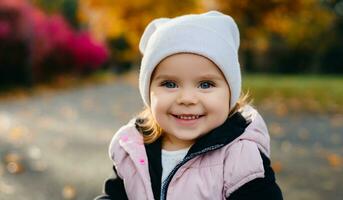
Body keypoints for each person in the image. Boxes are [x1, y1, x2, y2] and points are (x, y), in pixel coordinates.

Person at [95, 11, 283, 200]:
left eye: (205, 84)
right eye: (170, 84)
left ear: (230, 94)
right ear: (148, 92)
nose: (187, 98)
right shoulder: (134, 150)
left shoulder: (239, 157)